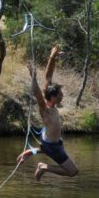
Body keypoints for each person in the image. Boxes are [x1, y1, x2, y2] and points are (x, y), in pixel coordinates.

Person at [16, 45, 79, 181]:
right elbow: (37, 94)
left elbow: (48, 75)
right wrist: (33, 77)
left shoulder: (51, 100)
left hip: (54, 143)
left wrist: (52, 57)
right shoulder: (45, 110)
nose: (62, 96)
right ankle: (44, 167)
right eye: (60, 94)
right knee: (73, 172)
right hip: (52, 147)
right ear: (54, 97)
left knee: (69, 168)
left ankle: (31, 151)